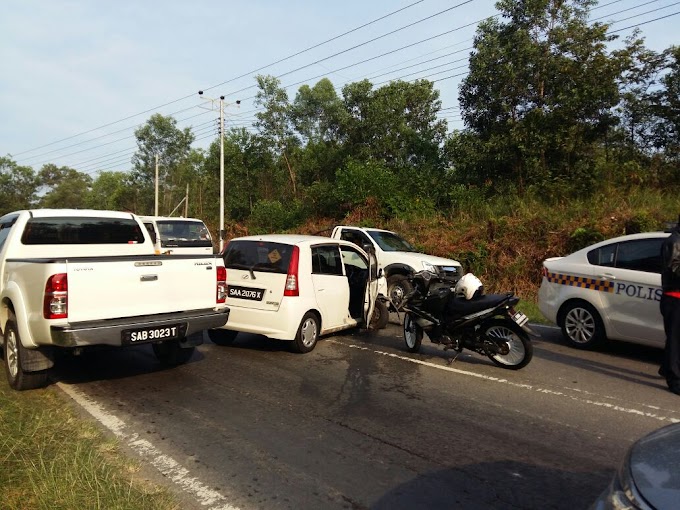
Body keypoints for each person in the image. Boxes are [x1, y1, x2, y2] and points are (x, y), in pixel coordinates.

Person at [660, 215, 680, 395]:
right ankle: (674, 381)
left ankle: (666, 368)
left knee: (674, 338)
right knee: (675, 340)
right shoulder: (674, 242)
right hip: (674, 299)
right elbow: (674, 268)